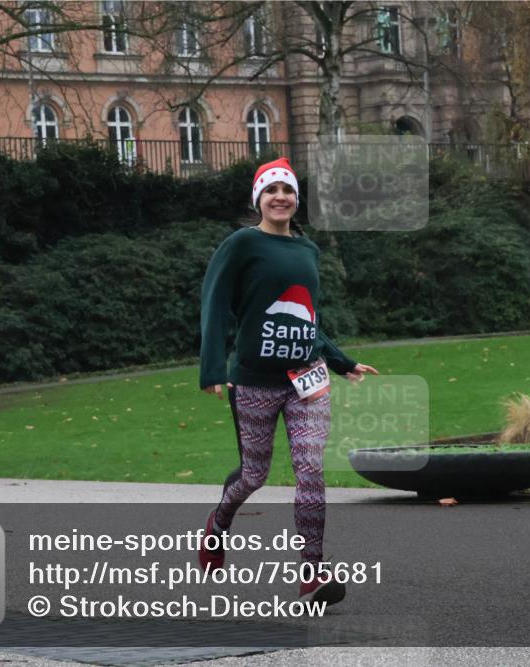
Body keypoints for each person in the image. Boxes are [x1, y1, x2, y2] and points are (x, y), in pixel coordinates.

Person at [198, 156, 378, 605]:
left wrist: (340, 361)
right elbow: (214, 302)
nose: (281, 197)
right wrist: (212, 366)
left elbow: (309, 319)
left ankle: (312, 574)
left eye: (288, 191)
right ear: (258, 198)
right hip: (255, 380)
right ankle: (218, 524)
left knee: (312, 470)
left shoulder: (307, 250)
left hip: (308, 380)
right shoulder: (242, 243)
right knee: (253, 476)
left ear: (297, 199)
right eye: (272, 190)